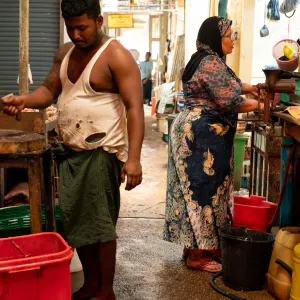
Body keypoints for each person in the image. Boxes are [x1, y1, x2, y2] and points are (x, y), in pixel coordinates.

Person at [1, 0, 144, 299]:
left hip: (101, 153)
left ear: (99, 20)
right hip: (70, 153)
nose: (76, 34)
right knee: (80, 223)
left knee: (101, 225)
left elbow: (135, 108)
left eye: (83, 27)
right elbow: (47, 92)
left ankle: (106, 291)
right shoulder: (65, 54)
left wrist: (133, 160)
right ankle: (91, 284)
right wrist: (23, 100)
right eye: (71, 28)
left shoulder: (116, 56)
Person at [163, 17, 263, 273]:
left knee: (193, 192)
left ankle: (191, 249)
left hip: (196, 132)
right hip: (201, 137)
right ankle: (197, 256)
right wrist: (263, 106)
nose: (233, 39)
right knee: (201, 192)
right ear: (216, 38)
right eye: (230, 35)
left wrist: (252, 88)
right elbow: (231, 100)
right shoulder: (210, 62)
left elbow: (229, 85)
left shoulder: (206, 59)